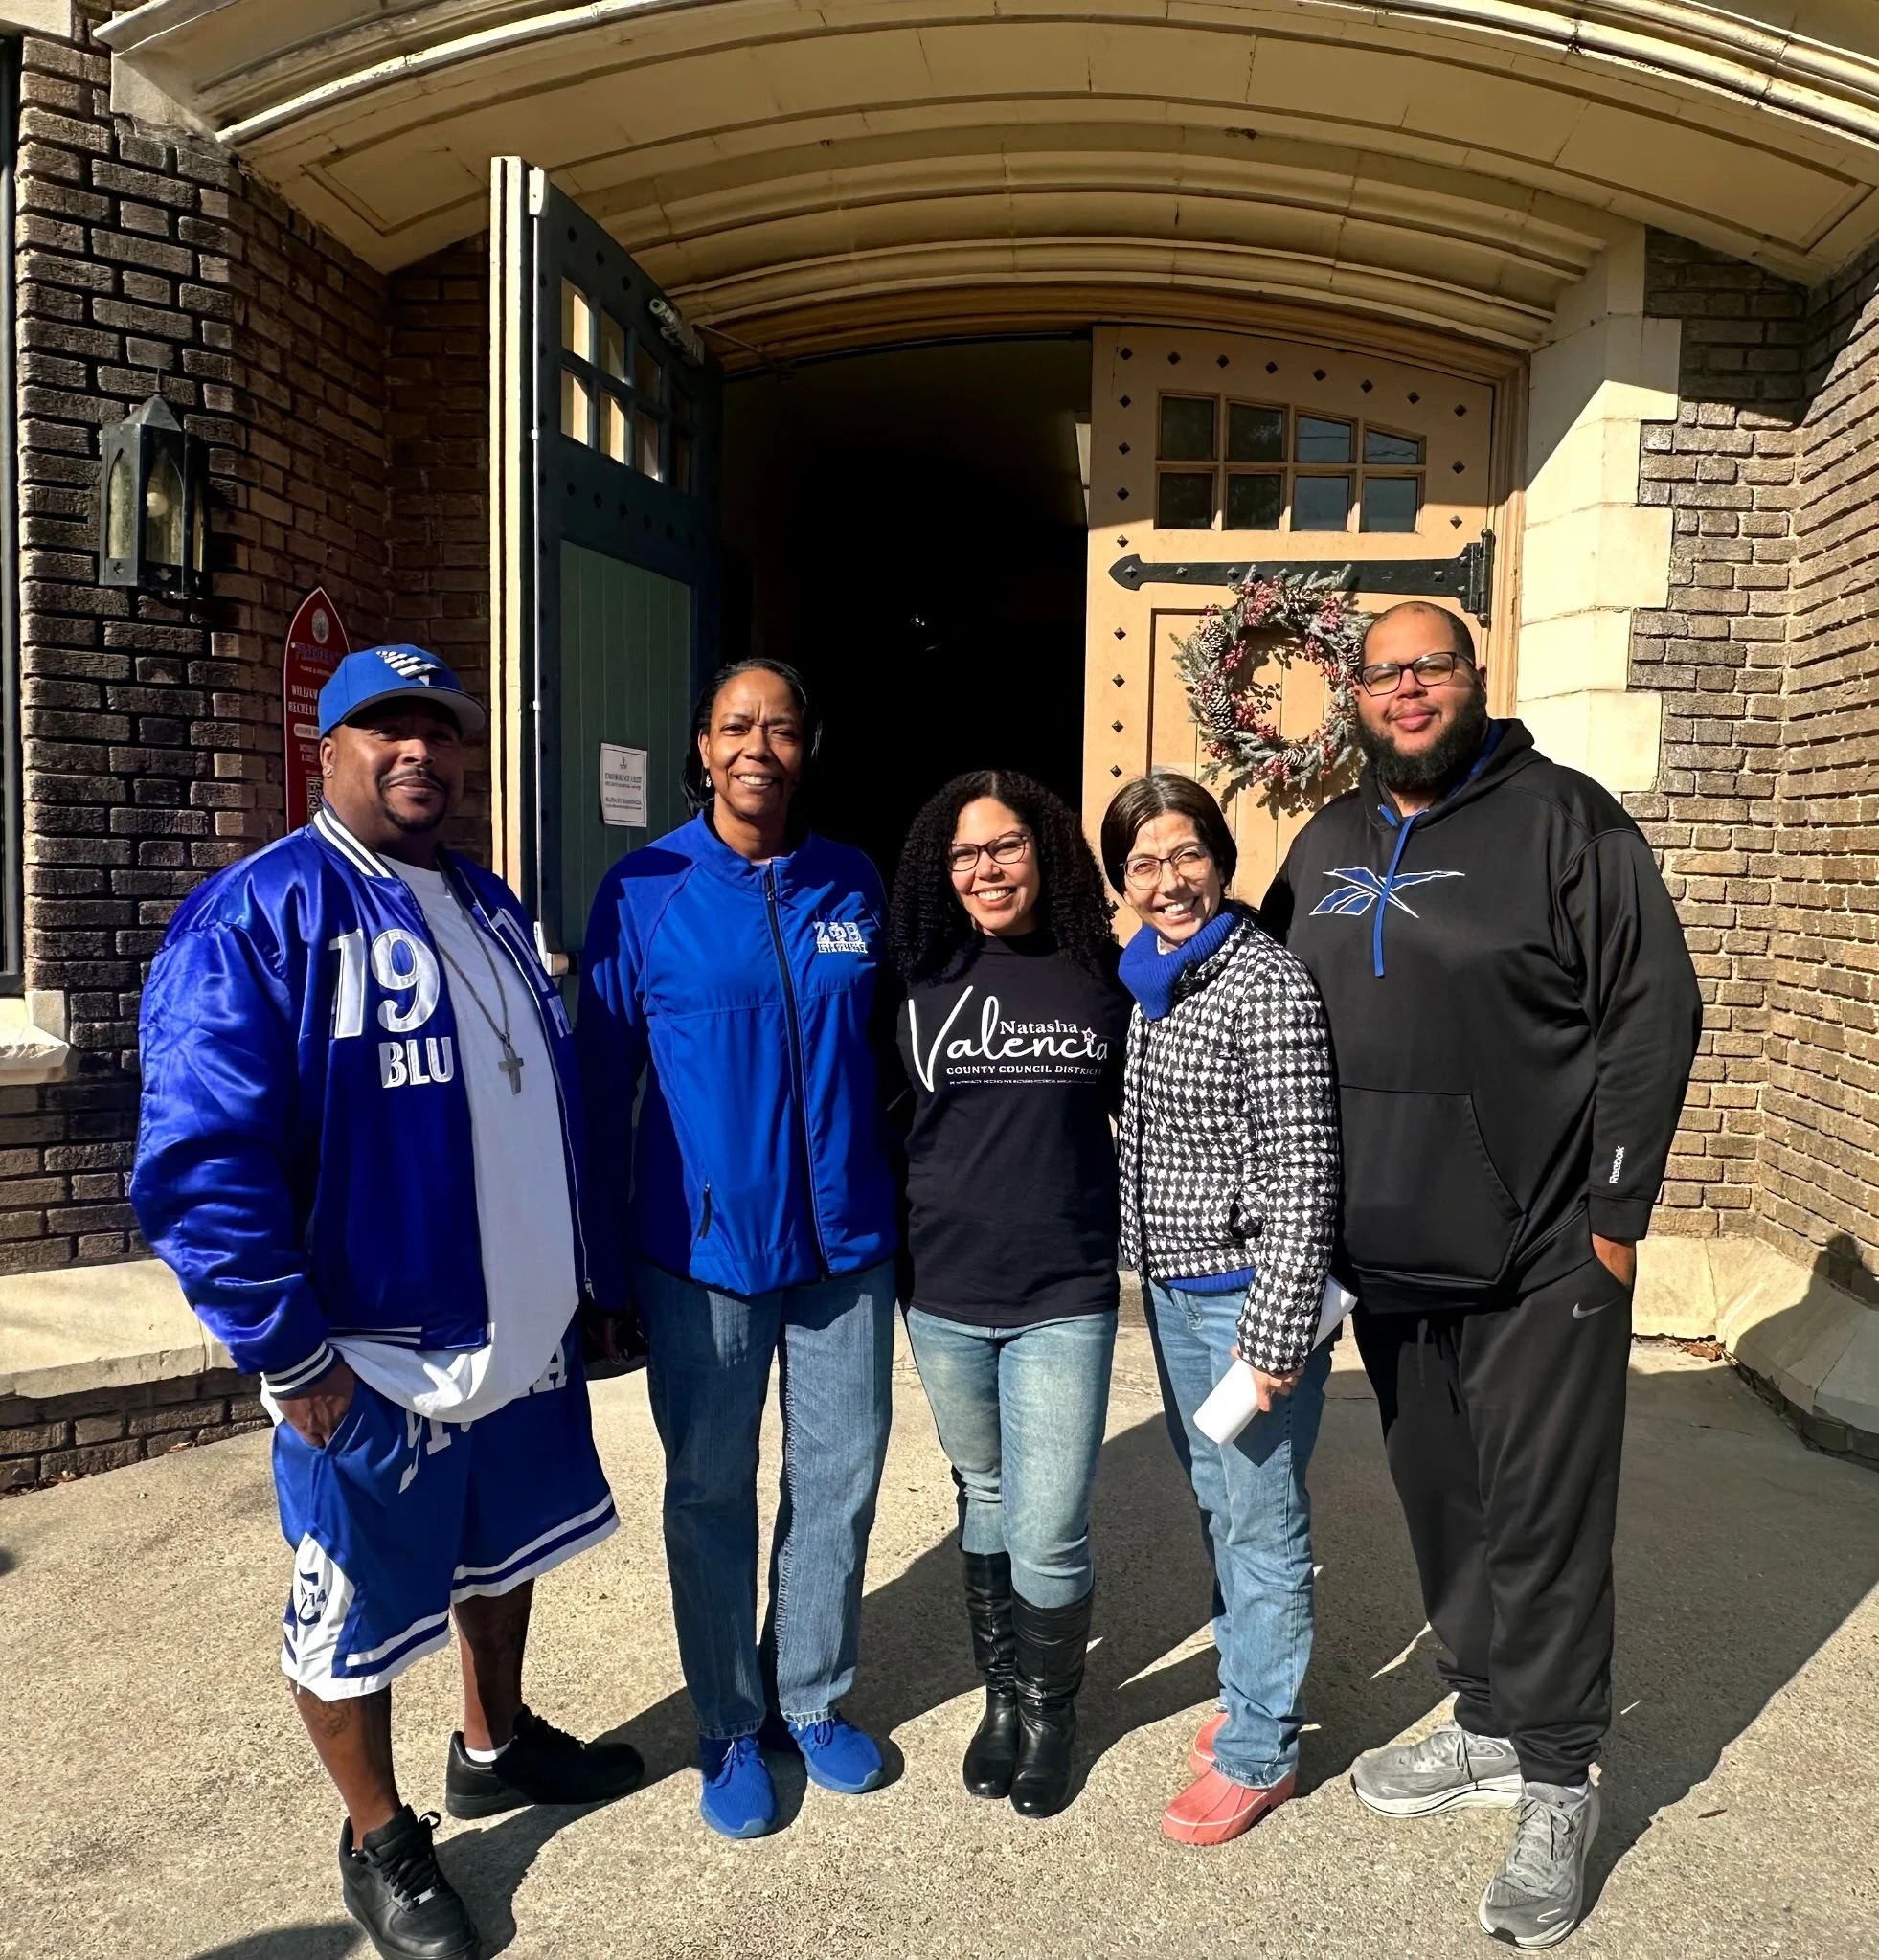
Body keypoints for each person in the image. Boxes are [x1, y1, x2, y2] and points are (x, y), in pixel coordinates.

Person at [131, 646, 640, 1960]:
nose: (418, 750)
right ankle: (377, 1833)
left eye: (440, 729)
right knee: (348, 1606)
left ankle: (494, 1740)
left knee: (504, 1543)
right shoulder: (258, 912)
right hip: (370, 1345)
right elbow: (200, 1160)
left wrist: (577, 1272)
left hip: (518, 1321)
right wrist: (294, 1356)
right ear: (327, 747)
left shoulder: (484, 896)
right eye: (385, 727)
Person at [1259, 600, 1702, 1949]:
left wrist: (1614, 1208)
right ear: (1356, 695)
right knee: (1442, 1500)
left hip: (1540, 1250)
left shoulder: (1565, 819)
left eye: (1428, 668)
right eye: (1383, 674)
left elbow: (1653, 1006)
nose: (1405, 691)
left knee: (1544, 1515)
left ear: (1471, 677)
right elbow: (1261, 1000)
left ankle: (1559, 1775)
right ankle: (1488, 1717)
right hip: (1384, 1254)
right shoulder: (1325, 839)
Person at [577, 658, 899, 1840]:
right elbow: (597, 1084)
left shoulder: (852, 881)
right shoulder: (645, 889)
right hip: (700, 1255)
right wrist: (601, 1271)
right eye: (734, 725)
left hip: (847, 1247)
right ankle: (725, 1716)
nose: (757, 744)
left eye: (779, 725)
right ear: (702, 748)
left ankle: (809, 1696)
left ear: (808, 743)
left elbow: (895, 1054)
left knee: (844, 1477)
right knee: (711, 1489)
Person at [1099, 769, 1342, 1846]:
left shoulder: (1264, 981)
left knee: (1261, 1520)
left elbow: (1305, 1168)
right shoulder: (1152, 977)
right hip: (1176, 1290)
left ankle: (1261, 1748)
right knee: (1219, 1504)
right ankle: (1247, 1687)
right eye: (1144, 862)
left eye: (1187, 852)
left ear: (1220, 856)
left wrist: (1280, 1328)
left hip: (1246, 1298)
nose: (1170, 878)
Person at [887, 771, 1130, 1819]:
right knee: (984, 1496)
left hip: (1065, 1289)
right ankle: (1004, 1698)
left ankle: (1052, 1708)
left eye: (1006, 847)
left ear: (1047, 853)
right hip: (942, 1288)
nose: (986, 869)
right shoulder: (912, 980)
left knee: (1052, 1524)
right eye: (965, 854)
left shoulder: (1103, 977)